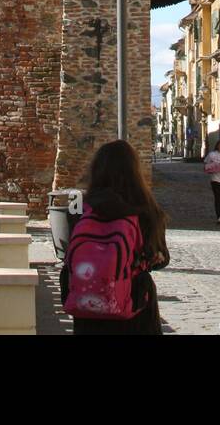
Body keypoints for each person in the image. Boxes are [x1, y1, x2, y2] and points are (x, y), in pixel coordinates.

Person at [61, 139, 169, 335]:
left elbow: (68, 254)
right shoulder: (147, 211)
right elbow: (160, 258)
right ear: (134, 171)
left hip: (89, 307)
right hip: (134, 306)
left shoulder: (79, 210)